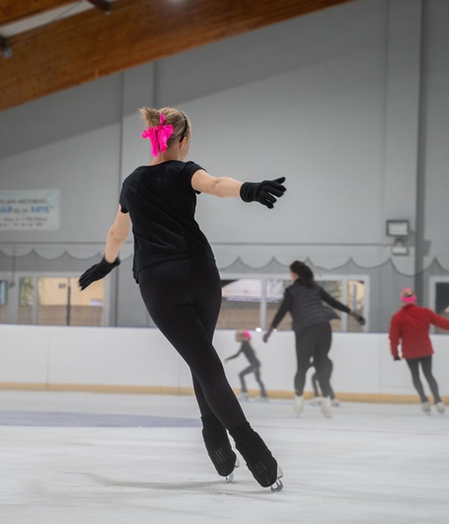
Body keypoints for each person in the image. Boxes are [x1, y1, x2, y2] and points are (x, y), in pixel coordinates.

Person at [78, 107, 286, 491]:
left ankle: (250, 450)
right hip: (201, 273)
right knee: (202, 359)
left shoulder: (132, 183)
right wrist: (250, 190)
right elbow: (217, 183)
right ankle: (216, 438)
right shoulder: (185, 171)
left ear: (154, 137)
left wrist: (107, 265)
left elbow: (117, 232)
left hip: (160, 281)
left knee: (203, 363)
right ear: (184, 138)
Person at [262, 261, 364, 418]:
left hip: (305, 330)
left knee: (302, 367)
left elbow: (282, 312)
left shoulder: (291, 291)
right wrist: (353, 314)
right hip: (324, 328)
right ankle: (327, 404)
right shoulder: (315, 288)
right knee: (320, 365)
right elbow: (333, 302)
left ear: (294, 274)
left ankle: (298, 401)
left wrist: (269, 331)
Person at [389, 288, 449, 415]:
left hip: (410, 352)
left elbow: (393, 337)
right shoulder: (425, 312)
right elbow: (441, 322)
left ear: (402, 300)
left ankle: (424, 401)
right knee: (429, 374)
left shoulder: (397, 317)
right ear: (414, 299)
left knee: (415, 375)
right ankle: (438, 401)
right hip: (425, 349)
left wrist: (395, 353)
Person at [224, 329, 268, 401]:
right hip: (255, 364)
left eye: (237, 337)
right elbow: (238, 355)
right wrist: (228, 359)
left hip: (255, 364)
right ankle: (263, 395)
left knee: (242, 375)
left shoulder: (245, 344)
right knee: (256, 379)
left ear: (241, 337)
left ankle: (245, 394)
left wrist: (227, 359)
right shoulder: (245, 343)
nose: (236, 338)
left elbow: (237, 355)